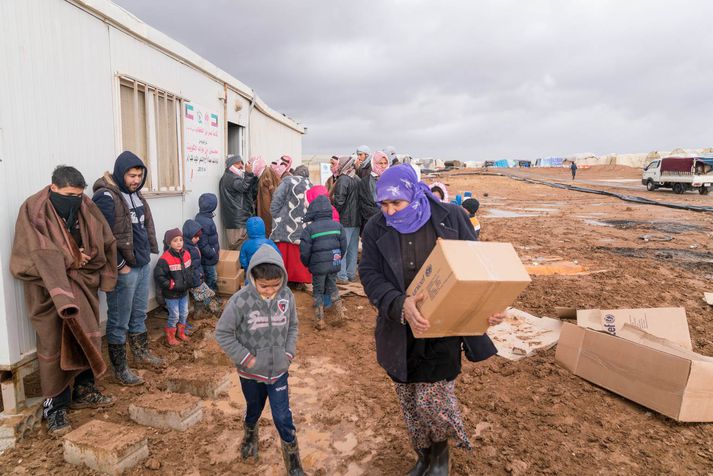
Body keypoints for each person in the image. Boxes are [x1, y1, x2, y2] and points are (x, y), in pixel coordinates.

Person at [359, 165, 503, 475]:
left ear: (413, 193)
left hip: (443, 330)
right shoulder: (374, 228)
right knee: (409, 400)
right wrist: (400, 303)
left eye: (396, 203)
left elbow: (475, 266)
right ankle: (422, 455)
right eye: (384, 204)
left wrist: (485, 305)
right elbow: (369, 275)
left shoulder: (451, 217)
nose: (390, 211)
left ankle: (440, 458)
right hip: (400, 331)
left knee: (434, 400)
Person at [11, 166, 117, 435]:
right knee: (53, 344)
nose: (75, 200)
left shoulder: (86, 205)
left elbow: (103, 239)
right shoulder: (33, 210)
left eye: (79, 195)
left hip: (81, 285)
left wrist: (85, 257)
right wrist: (71, 258)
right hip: (49, 291)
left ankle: (85, 389)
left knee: (86, 336)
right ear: (54, 188)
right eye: (69, 194)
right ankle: (55, 407)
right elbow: (33, 253)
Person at [215, 246, 305, 475]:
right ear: (252, 277)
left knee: (283, 416)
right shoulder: (239, 301)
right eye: (264, 286)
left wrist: (288, 354)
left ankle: (294, 462)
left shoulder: (287, 297)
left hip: (278, 372)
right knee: (254, 409)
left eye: (275, 285)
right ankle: (250, 434)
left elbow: (293, 326)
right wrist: (247, 359)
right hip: (250, 373)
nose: (269, 291)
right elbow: (223, 333)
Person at [93, 151, 163, 386]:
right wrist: (120, 265)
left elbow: (141, 228)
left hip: (141, 264)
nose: (136, 180)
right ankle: (120, 368)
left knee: (139, 313)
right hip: (124, 269)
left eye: (139, 175)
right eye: (132, 175)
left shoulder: (135, 195)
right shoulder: (106, 197)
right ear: (120, 173)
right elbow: (102, 236)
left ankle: (141, 352)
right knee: (118, 320)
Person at [299, 195, 348, 330]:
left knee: (318, 290)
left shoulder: (309, 229)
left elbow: (304, 251)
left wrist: (308, 263)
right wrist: (337, 259)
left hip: (318, 267)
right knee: (332, 286)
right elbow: (343, 246)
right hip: (334, 264)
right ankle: (340, 313)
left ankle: (320, 319)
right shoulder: (338, 226)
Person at [269, 165, 312, 286]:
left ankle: (285, 280)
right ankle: (299, 282)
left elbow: (277, 199)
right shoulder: (310, 184)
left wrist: (276, 215)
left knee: (284, 254)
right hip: (303, 225)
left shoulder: (288, 181)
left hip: (284, 225)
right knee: (298, 256)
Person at [154, 228, 195, 346]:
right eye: (175, 240)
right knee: (174, 315)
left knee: (184, 313)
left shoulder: (186, 254)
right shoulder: (165, 259)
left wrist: (190, 280)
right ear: (169, 243)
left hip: (183, 292)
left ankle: (180, 333)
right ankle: (170, 335)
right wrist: (170, 284)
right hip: (171, 294)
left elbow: (190, 268)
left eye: (181, 240)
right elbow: (159, 276)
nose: (179, 243)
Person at [219, 155, 257, 252]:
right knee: (238, 249)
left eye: (241, 163)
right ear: (231, 165)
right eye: (238, 163)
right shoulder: (232, 178)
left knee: (239, 248)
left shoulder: (230, 176)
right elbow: (244, 187)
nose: (241, 166)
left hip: (236, 218)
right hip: (237, 220)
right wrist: (249, 174)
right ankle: (238, 267)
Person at [332, 156, 361, 283]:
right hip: (357, 220)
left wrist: (334, 211)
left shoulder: (343, 179)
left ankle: (341, 276)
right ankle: (351, 274)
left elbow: (339, 201)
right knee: (353, 249)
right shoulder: (357, 178)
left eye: (339, 164)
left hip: (344, 219)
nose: (338, 166)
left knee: (342, 248)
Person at [183, 219, 218, 316]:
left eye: (199, 236)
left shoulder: (193, 245)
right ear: (189, 236)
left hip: (198, 276)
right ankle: (203, 312)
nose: (198, 239)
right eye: (195, 237)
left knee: (202, 295)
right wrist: (197, 277)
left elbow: (197, 263)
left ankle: (202, 311)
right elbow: (192, 266)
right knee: (204, 294)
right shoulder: (187, 249)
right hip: (194, 278)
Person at [358, 150, 390, 232]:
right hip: (372, 222)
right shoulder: (365, 182)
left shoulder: (391, 179)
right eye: (380, 163)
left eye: (385, 163)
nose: (383, 166)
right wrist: (380, 213)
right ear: (374, 163)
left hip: (389, 223)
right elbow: (363, 204)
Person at [195, 193, 220, 292]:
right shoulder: (206, 221)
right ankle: (210, 299)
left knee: (211, 277)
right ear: (212, 206)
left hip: (209, 257)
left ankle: (211, 297)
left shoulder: (203, 217)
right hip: (208, 258)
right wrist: (212, 253)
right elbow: (202, 243)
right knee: (211, 278)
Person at [256, 159, 281, 235]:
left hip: (269, 213)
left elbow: (273, 196)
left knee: (269, 233)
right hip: (268, 212)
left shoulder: (266, 174)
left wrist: (270, 187)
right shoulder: (267, 173)